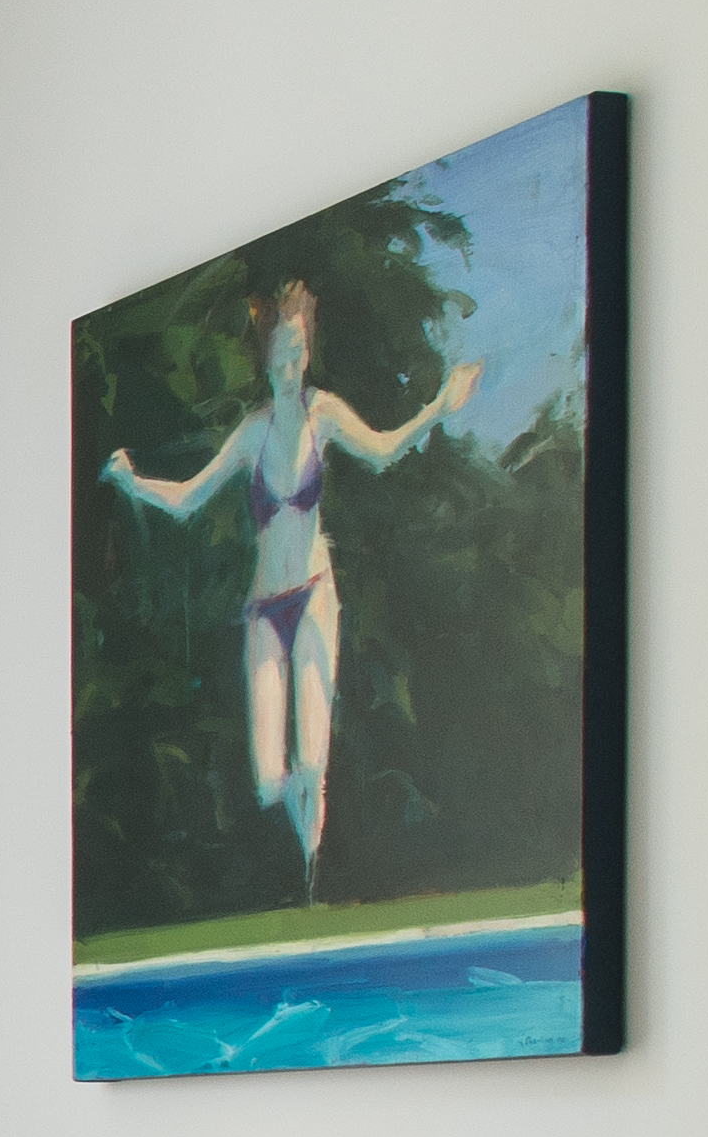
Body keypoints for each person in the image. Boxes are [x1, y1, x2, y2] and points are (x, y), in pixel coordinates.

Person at [100, 279, 480, 893]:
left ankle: (313, 873)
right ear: (264, 359)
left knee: (310, 764)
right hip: (262, 611)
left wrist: (439, 405)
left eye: (297, 352)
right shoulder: (251, 434)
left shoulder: (321, 414)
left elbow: (382, 451)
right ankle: (307, 857)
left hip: (313, 597)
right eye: (279, 354)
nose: (288, 366)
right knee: (270, 780)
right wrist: (130, 481)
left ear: (308, 353)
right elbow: (189, 499)